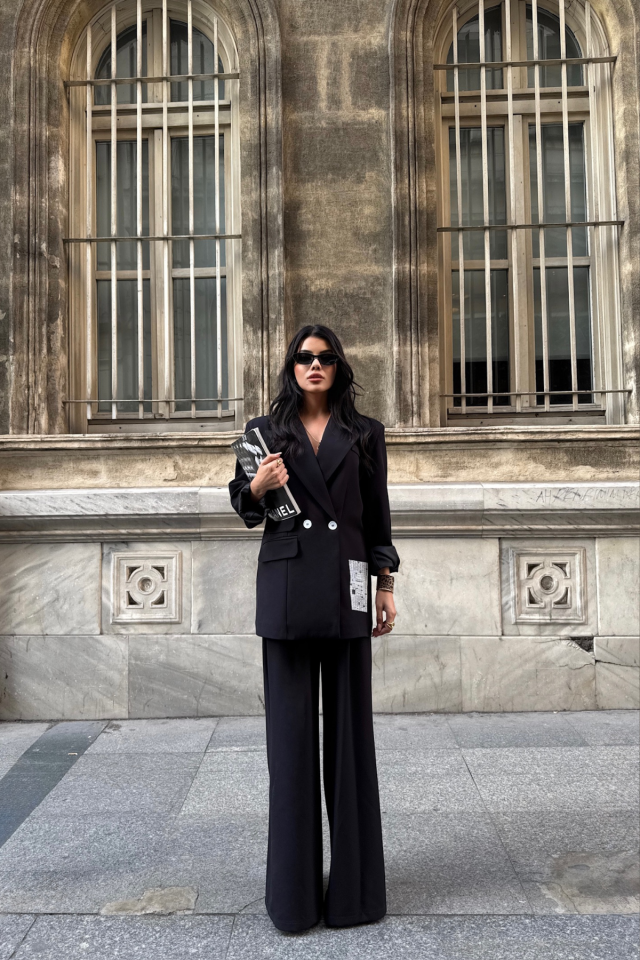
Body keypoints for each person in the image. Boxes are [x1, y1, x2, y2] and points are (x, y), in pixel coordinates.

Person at [228, 324, 400, 933]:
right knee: (291, 746)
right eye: (304, 358)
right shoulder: (264, 432)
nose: (314, 365)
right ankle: (293, 900)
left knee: (351, 743)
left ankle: (355, 897)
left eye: (325, 358)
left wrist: (385, 583)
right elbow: (244, 506)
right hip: (287, 592)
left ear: (338, 367)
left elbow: (376, 516)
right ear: (292, 367)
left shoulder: (365, 433)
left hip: (347, 591)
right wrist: (258, 486)